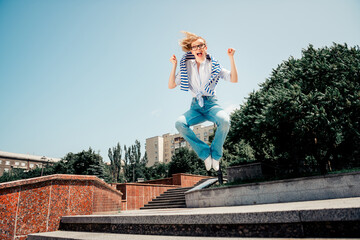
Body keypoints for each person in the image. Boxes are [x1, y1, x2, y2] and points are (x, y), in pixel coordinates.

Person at [168, 31, 238, 171]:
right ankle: (205, 153)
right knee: (179, 123)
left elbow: (233, 79)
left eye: (200, 46)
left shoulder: (214, 65)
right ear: (192, 51)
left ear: (205, 48)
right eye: (194, 47)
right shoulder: (187, 65)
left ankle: (216, 155)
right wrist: (174, 65)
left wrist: (231, 58)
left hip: (212, 104)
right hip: (196, 107)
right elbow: (171, 85)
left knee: (225, 121)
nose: (198, 49)